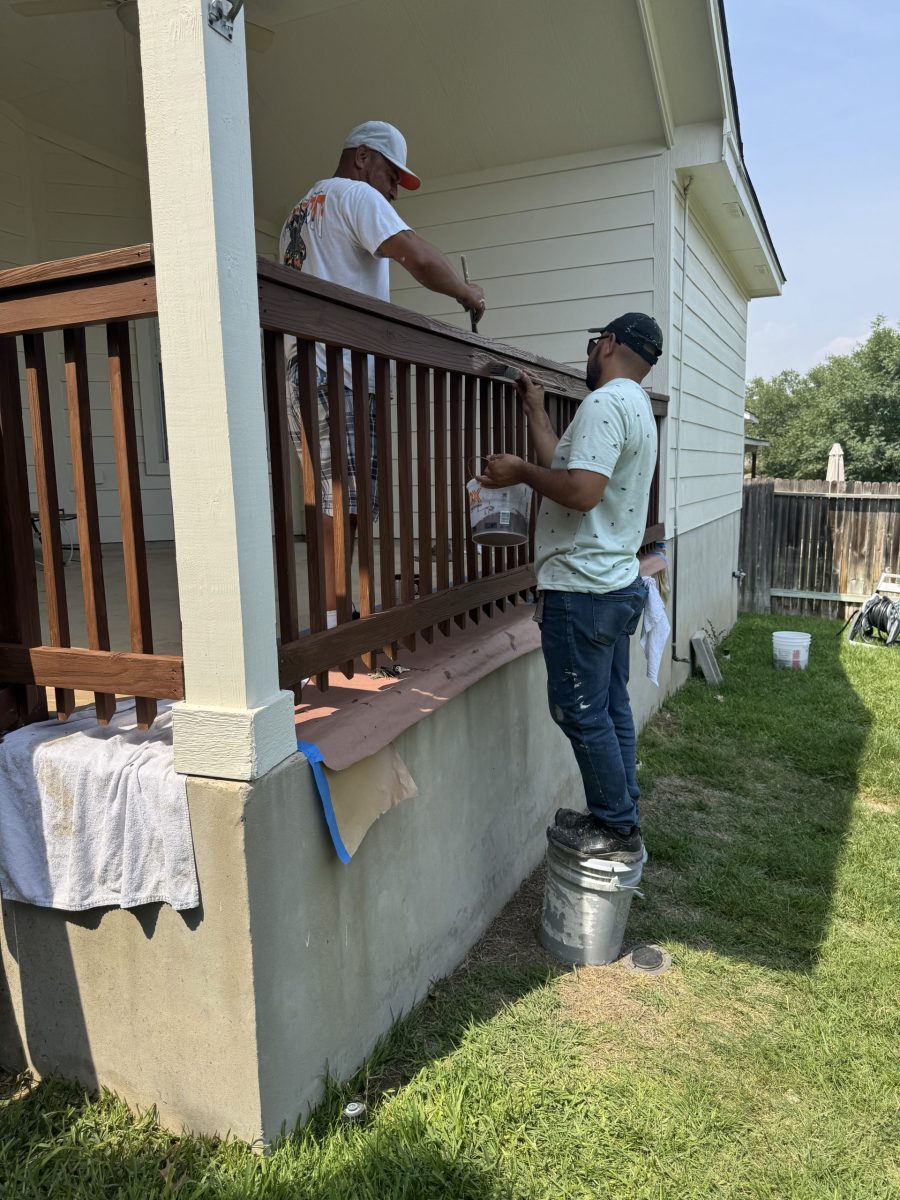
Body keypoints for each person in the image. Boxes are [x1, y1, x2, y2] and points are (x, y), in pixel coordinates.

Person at [279, 121, 485, 628]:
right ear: (363, 157)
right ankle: (333, 619)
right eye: (392, 176)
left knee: (335, 496)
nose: (395, 191)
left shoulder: (299, 213)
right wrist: (467, 293)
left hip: (306, 367)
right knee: (340, 497)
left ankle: (336, 610)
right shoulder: (354, 195)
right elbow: (416, 255)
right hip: (336, 368)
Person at [477, 313, 663, 860]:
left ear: (606, 344)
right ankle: (621, 807)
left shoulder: (604, 404)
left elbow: (578, 491)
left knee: (579, 711)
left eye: (591, 345)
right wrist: (535, 412)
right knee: (609, 707)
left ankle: (617, 826)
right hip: (613, 582)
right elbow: (569, 466)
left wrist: (518, 473)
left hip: (582, 588)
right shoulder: (636, 407)